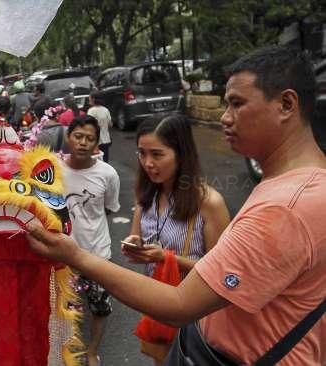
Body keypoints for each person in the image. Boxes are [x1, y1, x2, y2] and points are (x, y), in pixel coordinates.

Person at [25, 46, 326, 365]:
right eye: (225, 104)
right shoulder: (303, 186)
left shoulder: (285, 207)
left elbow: (180, 303)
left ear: (286, 104)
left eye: (237, 104)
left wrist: (74, 255)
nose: (225, 117)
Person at [122, 114, 230, 364]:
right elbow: (137, 235)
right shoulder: (146, 194)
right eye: (142, 153)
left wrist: (168, 259)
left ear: (181, 154)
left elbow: (223, 274)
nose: (147, 163)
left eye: (157, 154)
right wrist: (135, 246)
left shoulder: (208, 203)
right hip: (158, 306)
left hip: (196, 319)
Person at [61, 115, 120, 366]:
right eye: (78, 136)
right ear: (68, 137)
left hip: (98, 254)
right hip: (64, 256)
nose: (83, 143)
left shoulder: (108, 174)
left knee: (100, 308)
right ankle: (68, 351)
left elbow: (109, 207)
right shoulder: (53, 170)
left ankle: (92, 351)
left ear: (97, 143)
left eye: (90, 139)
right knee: (67, 311)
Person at [86, 92, 112, 163]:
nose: (89, 101)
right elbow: (110, 124)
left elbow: (88, 126)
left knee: (96, 162)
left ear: (93, 99)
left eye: (89, 99)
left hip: (95, 142)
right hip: (106, 140)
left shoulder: (91, 111)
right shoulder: (105, 110)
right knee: (105, 160)